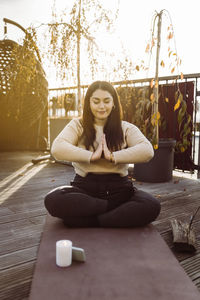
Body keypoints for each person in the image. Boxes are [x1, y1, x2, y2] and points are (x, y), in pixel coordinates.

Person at [44, 81, 161, 227]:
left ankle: (91, 220)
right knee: (53, 200)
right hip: (85, 189)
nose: (101, 106)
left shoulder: (125, 127)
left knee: (152, 205)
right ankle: (113, 213)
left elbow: (147, 150)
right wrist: (91, 156)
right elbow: (57, 148)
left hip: (119, 189)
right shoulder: (77, 125)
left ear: (113, 103)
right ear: (88, 103)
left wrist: (113, 157)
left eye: (106, 101)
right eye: (96, 101)